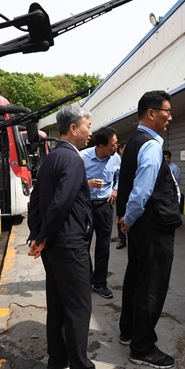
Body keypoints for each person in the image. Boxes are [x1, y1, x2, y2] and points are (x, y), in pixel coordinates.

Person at [27, 104, 116, 369]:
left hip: (54, 246)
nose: (91, 132)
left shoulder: (52, 157)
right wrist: (42, 236)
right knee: (78, 308)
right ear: (74, 128)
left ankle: (56, 363)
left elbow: (35, 200)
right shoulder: (74, 159)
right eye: (88, 126)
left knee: (58, 305)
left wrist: (38, 235)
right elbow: (61, 202)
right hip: (69, 244)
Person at [116, 90, 181, 369]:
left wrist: (128, 218)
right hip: (152, 226)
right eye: (166, 111)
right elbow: (141, 190)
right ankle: (142, 348)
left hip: (142, 225)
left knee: (136, 278)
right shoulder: (152, 146)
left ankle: (129, 330)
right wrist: (128, 218)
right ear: (151, 113)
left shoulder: (134, 142)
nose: (170, 116)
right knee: (151, 285)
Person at [80, 127, 120, 299]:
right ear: (101, 146)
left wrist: (116, 190)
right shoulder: (82, 157)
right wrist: (87, 183)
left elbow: (120, 175)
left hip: (104, 207)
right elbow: (71, 180)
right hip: (86, 207)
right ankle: (84, 281)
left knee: (103, 247)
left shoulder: (116, 158)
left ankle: (100, 283)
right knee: (83, 246)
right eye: (113, 144)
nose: (116, 147)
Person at [115, 142, 127, 249]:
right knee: (120, 216)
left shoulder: (133, 161)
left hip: (129, 193)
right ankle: (122, 239)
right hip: (119, 194)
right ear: (121, 150)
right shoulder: (117, 161)